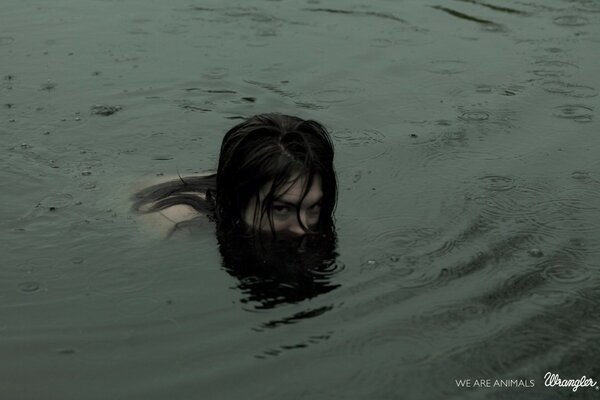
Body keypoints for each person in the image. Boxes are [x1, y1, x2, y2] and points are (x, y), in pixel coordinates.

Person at [131, 113, 338, 238]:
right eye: (281, 209)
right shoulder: (175, 224)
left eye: (313, 207)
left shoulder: (257, 181)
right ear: (237, 201)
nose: (303, 229)